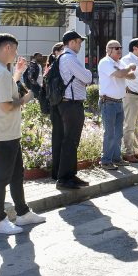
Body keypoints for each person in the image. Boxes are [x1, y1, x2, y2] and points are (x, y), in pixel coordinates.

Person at [0, 33, 46, 235]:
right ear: (8, 47)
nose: (16, 54)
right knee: (2, 177)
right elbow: (6, 104)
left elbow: (4, 90)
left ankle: (22, 212)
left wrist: (17, 75)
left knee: (17, 174)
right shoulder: (0, 73)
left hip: (6, 131)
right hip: (4, 133)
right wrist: (27, 98)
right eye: (15, 49)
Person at [54, 31, 93, 190]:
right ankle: (64, 178)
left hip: (70, 104)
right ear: (71, 42)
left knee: (71, 141)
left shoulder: (66, 57)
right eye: (78, 41)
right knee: (70, 141)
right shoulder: (69, 58)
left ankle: (70, 175)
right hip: (71, 104)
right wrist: (87, 75)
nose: (80, 44)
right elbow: (87, 78)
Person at [98, 40, 137, 170]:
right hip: (108, 102)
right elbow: (122, 74)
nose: (119, 50)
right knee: (109, 133)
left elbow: (132, 76)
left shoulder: (120, 63)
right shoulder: (105, 62)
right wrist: (129, 67)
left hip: (119, 102)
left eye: (120, 47)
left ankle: (116, 158)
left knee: (118, 133)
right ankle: (105, 161)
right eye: (116, 48)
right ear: (108, 50)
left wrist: (125, 71)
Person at [121, 38, 138, 163]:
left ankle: (136, 151)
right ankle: (128, 153)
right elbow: (123, 76)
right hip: (131, 96)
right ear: (135, 48)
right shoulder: (126, 60)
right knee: (129, 126)